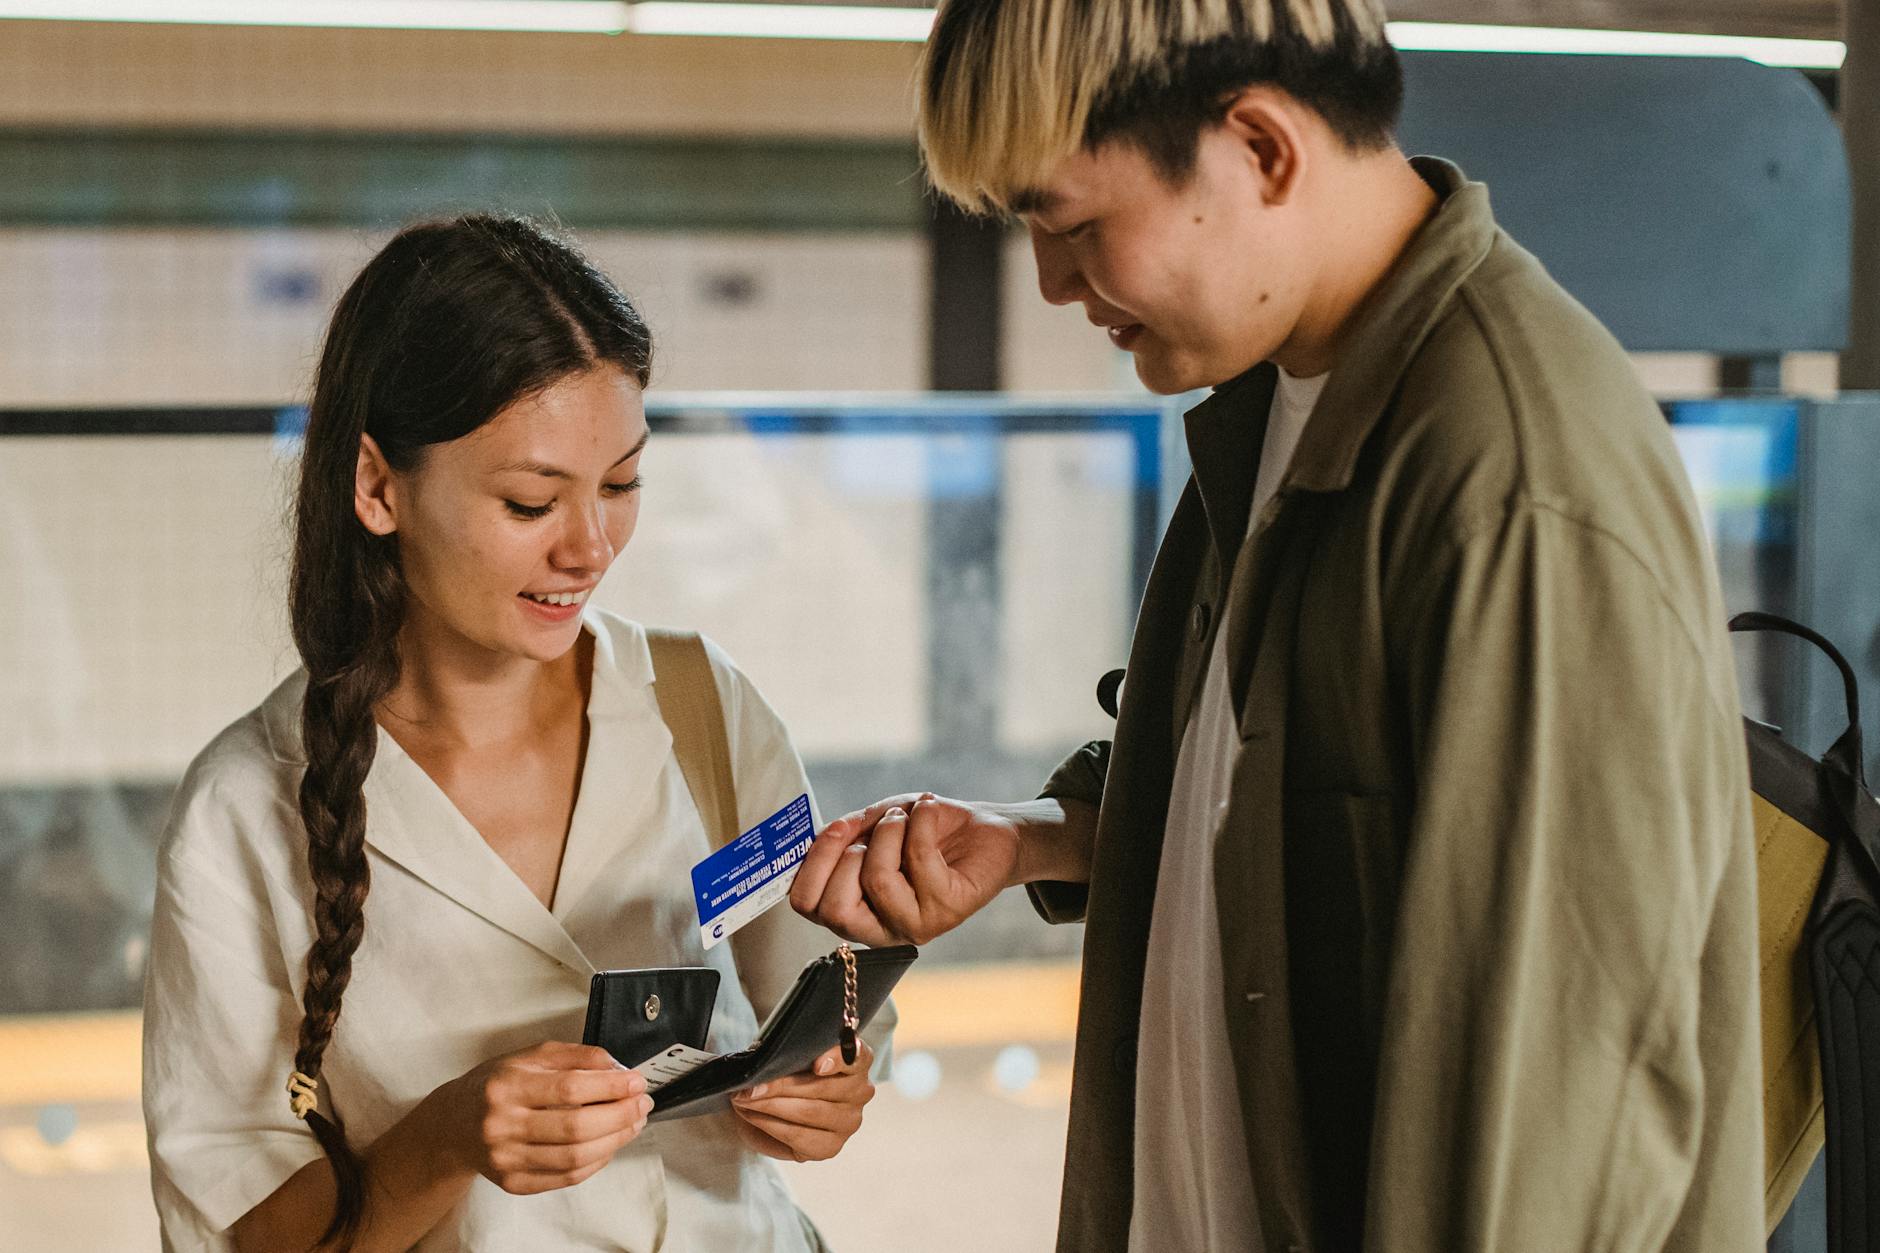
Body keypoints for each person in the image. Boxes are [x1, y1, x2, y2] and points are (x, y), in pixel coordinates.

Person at [792, 0, 1762, 1248]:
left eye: (1075, 223)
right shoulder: (1277, 399)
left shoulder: (1505, 477)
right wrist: (1043, 838)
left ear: (1259, 148)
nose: (1052, 282)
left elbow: (1543, 1120)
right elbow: (1296, 808)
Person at [143, 215, 885, 1252]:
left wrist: (833, 1078)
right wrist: (445, 1135)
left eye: (621, 484)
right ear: (375, 485)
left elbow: (819, 991)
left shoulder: (701, 706)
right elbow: (235, 1235)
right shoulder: (246, 809)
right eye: (531, 500)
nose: (590, 547)